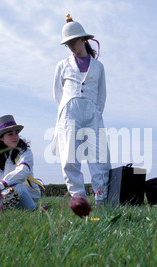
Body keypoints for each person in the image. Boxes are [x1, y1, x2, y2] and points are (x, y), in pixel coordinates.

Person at [52, 14, 111, 206]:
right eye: (67, 44)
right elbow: (58, 94)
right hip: (69, 113)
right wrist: (68, 108)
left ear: (83, 39)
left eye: (74, 41)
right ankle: (78, 200)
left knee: (99, 157)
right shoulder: (62, 65)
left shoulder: (99, 67)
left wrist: (94, 110)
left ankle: (101, 199)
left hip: (93, 112)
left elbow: (102, 94)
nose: (71, 46)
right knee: (70, 158)